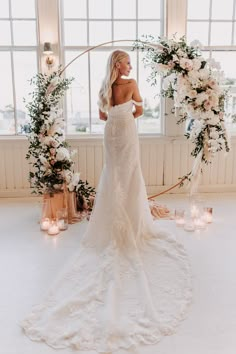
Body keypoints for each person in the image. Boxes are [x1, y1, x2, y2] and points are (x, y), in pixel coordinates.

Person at [21, 50, 192, 352]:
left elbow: (102, 116)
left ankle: (114, 220)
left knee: (113, 174)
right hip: (126, 132)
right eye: (126, 61)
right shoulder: (133, 83)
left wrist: (118, 112)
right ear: (118, 64)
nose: (129, 65)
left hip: (110, 133)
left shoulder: (104, 87)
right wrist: (128, 112)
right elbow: (139, 111)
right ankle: (130, 222)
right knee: (128, 174)